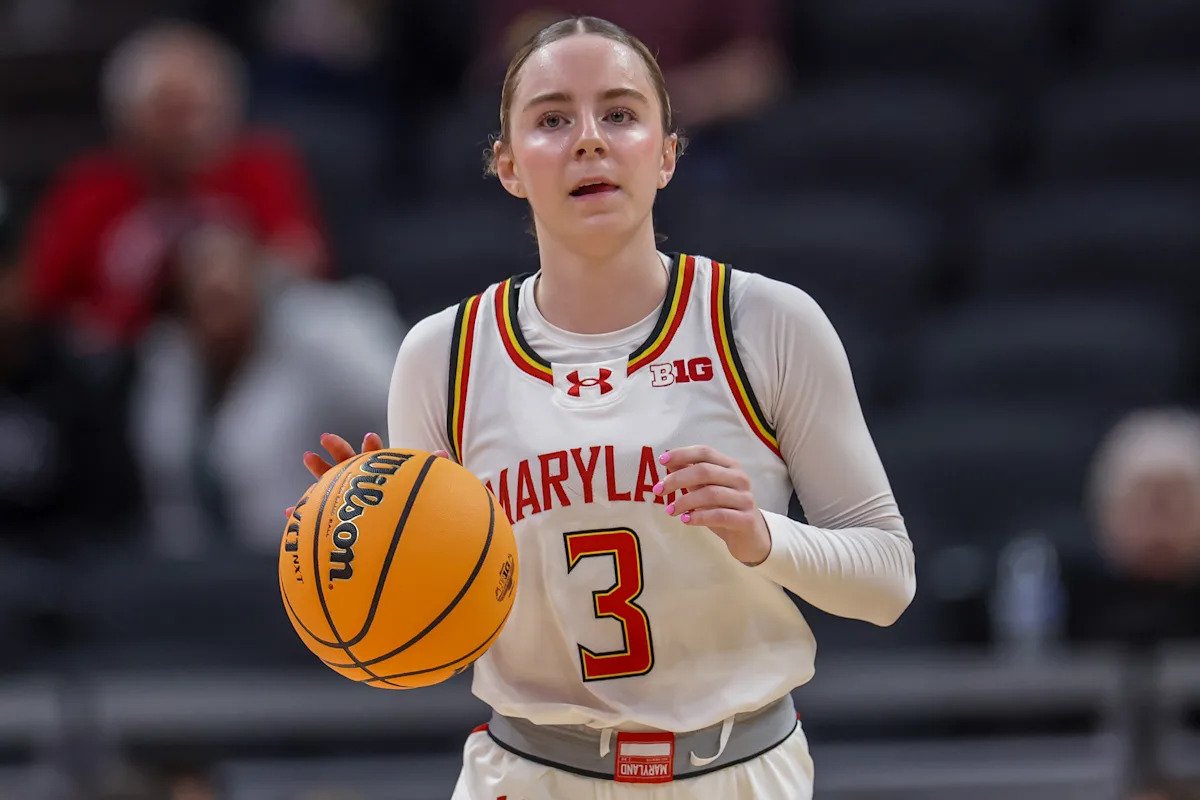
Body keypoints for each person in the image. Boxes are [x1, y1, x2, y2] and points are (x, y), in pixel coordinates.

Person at [299, 16, 914, 799]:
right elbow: (442, 649)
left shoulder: (765, 323)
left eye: (619, 113)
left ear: (665, 154)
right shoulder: (441, 355)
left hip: (737, 770)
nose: (589, 138)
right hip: (526, 773)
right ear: (509, 164)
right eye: (552, 118)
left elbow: (889, 580)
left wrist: (765, 538)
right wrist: (379, 556)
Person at [21, 20, 329, 350]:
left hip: (254, 350)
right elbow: (42, 294)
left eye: (200, 109)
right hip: (134, 356)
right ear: (128, 118)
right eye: (171, 112)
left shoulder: (261, 164)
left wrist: (237, 272)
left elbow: (303, 257)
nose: (189, 128)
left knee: (328, 323)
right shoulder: (92, 185)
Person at [133, 214, 399, 557]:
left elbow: (392, 392)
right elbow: (167, 484)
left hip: (312, 554)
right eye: (200, 287)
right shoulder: (169, 364)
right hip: (199, 571)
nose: (215, 291)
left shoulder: (315, 334)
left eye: (229, 283)